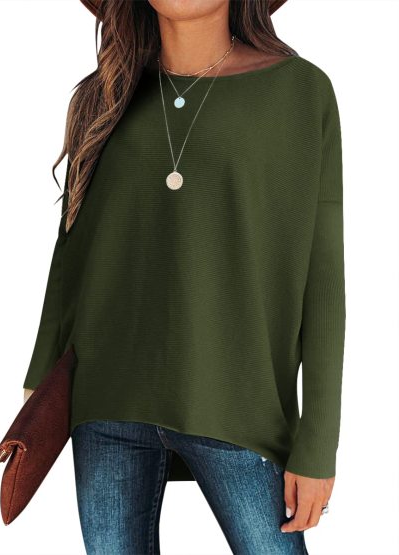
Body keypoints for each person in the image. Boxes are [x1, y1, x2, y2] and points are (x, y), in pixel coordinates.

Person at [22, 0, 346, 553]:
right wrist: (38, 382)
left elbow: (323, 275)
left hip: (238, 403)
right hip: (106, 400)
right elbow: (71, 254)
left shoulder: (299, 90)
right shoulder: (104, 95)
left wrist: (318, 444)